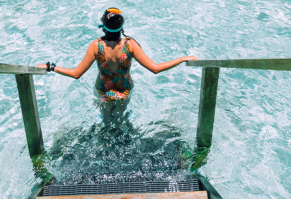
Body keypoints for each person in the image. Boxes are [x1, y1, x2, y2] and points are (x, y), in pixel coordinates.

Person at [41, 8, 198, 120]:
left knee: (106, 121)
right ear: (121, 27)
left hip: (103, 92)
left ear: (103, 26)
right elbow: (155, 69)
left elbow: (76, 74)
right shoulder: (130, 45)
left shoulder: (96, 46)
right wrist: (182, 59)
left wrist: (51, 67)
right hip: (124, 91)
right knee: (120, 120)